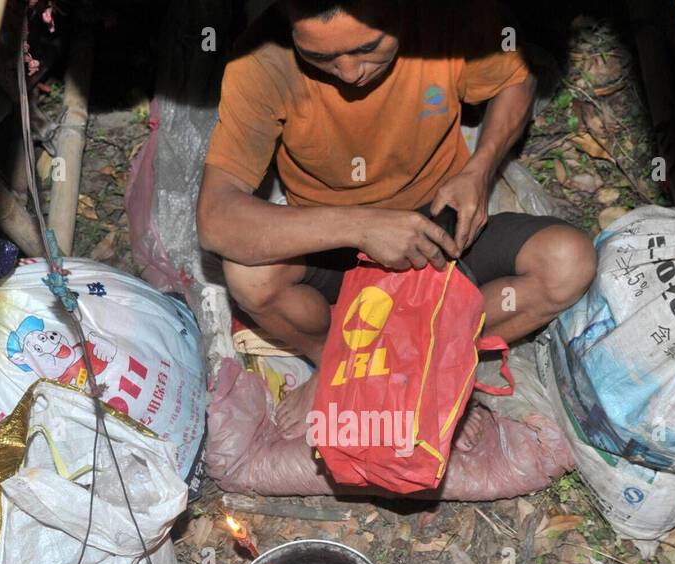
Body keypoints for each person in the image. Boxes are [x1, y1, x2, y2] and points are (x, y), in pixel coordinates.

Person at [196, 0, 596, 366]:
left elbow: (515, 80)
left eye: (368, 48)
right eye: (320, 56)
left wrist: (479, 170)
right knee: (249, 277)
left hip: (441, 221)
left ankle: (418, 360)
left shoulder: (452, 19)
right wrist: (362, 227)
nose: (350, 72)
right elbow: (216, 218)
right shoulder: (262, 62)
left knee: (568, 263)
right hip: (335, 245)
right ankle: (341, 362)